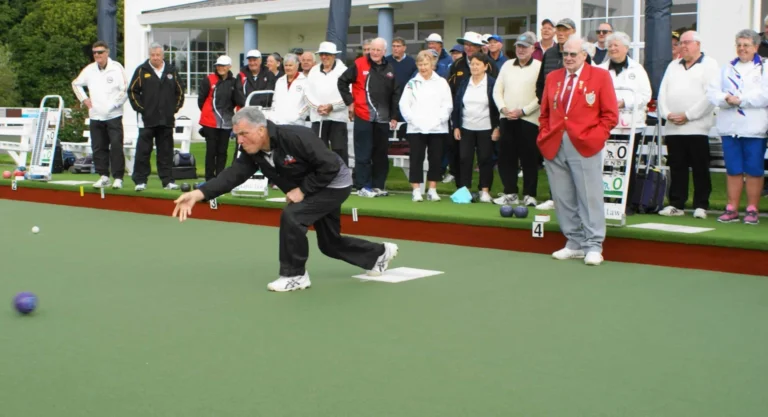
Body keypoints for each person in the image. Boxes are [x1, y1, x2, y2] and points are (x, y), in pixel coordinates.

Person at [171, 107, 399, 292]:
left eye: (243, 134)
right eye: (236, 135)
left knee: (293, 216)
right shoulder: (254, 151)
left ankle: (295, 275)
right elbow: (234, 175)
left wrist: (303, 190)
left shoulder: (296, 137)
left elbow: (329, 166)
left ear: (261, 130)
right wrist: (199, 193)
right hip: (315, 186)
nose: (239, 140)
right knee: (329, 244)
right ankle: (378, 254)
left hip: (334, 183)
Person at [537, 35, 619, 266]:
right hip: (554, 143)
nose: (569, 58)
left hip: (585, 143)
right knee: (562, 197)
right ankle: (573, 242)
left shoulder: (600, 76)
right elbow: (544, 112)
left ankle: (594, 244)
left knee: (589, 195)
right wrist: (544, 135)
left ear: (585, 55)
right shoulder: (553, 77)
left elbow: (610, 115)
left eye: (573, 54)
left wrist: (596, 136)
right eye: (565, 54)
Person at [707, 29, 768, 225]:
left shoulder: (764, 67)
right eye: (739, 45)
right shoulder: (725, 68)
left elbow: (764, 95)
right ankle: (731, 207)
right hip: (729, 126)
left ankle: (752, 209)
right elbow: (712, 91)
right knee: (733, 168)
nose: (742, 49)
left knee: (754, 169)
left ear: (755, 47)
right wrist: (725, 98)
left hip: (754, 127)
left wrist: (741, 100)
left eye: (746, 45)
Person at [657, 31, 719, 218]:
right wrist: (667, 113)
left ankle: (701, 205)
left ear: (698, 44)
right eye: (681, 43)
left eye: (688, 43)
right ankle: (677, 203)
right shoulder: (673, 65)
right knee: (677, 166)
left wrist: (688, 115)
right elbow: (662, 93)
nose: (683, 46)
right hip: (673, 127)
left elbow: (711, 96)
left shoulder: (710, 64)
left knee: (700, 167)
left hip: (697, 127)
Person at [337, 37, 400, 198]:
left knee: (380, 154)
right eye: (372, 49)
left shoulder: (390, 68)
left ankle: (378, 186)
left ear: (384, 52)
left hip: (383, 119)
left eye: (378, 50)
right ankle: (362, 186)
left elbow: (395, 94)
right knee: (363, 153)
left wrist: (394, 115)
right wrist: (350, 103)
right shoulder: (359, 64)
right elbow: (342, 82)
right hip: (363, 116)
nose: (375, 52)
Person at [597, 31, 652, 215]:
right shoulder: (600, 69)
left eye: (616, 45)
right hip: (606, 125)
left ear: (626, 49)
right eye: (610, 46)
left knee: (627, 164)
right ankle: (606, 201)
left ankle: (627, 203)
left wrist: (624, 102)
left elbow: (646, 95)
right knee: (606, 163)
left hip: (631, 125)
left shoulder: (637, 69)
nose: (613, 49)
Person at [492, 32, 542, 207]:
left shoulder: (538, 66)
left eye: (524, 47)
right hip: (507, 119)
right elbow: (497, 90)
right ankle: (510, 193)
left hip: (529, 119)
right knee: (506, 158)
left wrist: (523, 110)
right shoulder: (506, 65)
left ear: (532, 48)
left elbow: (540, 95)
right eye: (518, 47)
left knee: (529, 158)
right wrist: (503, 108)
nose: (520, 50)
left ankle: (529, 194)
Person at [71, 40, 129, 189]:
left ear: (107, 52)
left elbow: (125, 89)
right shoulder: (90, 69)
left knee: (116, 146)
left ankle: (118, 178)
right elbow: (75, 84)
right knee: (98, 147)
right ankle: (103, 176)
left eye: (100, 52)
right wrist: (84, 100)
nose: (97, 55)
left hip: (113, 116)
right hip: (95, 116)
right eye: (95, 52)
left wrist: (114, 105)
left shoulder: (116, 68)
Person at [128, 42, 184, 191]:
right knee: (143, 151)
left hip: (166, 120)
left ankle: (167, 181)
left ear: (163, 55)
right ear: (149, 55)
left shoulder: (171, 71)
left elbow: (180, 92)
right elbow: (132, 91)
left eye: (158, 55)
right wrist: (142, 109)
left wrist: (173, 109)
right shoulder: (141, 70)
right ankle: (140, 180)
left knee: (165, 152)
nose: (155, 58)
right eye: (153, 55)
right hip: (147, 120)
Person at [399, 50, 453, 202]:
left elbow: (447, 105)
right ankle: (416, 190)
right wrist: (413, 120)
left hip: (437, 128)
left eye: (426, 64)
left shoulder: (442, 82)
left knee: (435, 159)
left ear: (432, 65)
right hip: (416, 129)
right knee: (416, 158)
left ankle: (432, 189)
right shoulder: (411, 83)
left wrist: (439, 121)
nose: (423, 68)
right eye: (420, 64)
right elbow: (404, 105)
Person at [452, 53, 500, 203]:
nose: (474, 67)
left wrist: (497, 127)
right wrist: (456, 126)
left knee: (485, 159)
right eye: (472, 64)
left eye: (478, 64)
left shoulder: (492, 83)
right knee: (465, 159)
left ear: (485, 67)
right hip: (466, 127)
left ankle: (484, 190)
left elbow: (497, 107)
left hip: (486, 128)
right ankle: (464, 190)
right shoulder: (464, 83)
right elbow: (458, 106)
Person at [198, 55, 244, 181]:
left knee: (222, 151)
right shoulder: (209, 79)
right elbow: (201, 100)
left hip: (227, 122)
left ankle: (220, 177)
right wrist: (208, 114)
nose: (220, 68)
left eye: (223, 66)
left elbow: (238, 100)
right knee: (211, 150)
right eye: (218, 66)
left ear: (229, 67)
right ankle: (209, 178)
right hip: (210, 121)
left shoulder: (234, 81)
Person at [305, 41, 350, 165]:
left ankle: (343, 179)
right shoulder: (313, 71)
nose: (324, 57)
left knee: (339, 149)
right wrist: (318, 107)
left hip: (338, 118)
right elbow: (307, 93)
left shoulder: (344, 70)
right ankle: (321, 177)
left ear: (334, 55)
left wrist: (332, 107)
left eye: (327, 54)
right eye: (322, 54)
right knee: (318, 149)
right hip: (318, 117)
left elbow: (348, 94)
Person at [270, 53, 309, 126]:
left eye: (290, 65)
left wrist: (298, 116)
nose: (288, 68)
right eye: (286, 65)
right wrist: (273, 116)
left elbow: (308, 104)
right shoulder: (279, 81)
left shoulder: (305, 81)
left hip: (297, 124)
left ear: (297, 66)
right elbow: (274, 101)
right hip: (279, 123)